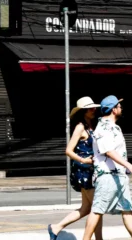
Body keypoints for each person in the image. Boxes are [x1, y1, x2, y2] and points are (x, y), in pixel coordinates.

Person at [82, 95, 132, 240]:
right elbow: (108, 151)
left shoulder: (114, 127)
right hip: (107, 176)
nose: (121, 108)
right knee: (97, 210)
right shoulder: (103, 127)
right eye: (119, 106)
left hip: (119, 176)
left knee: (127, 210)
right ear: (113, 110)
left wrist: (125, 169)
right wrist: (129, 165)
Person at [48, 97, 103, 240]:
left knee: (86, 208)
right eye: (91, 108)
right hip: (84, 172)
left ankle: (56, 227)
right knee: (97, 208)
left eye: (94, 107)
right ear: (84, 111)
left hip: (90, 171)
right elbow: (68, 150)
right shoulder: (80, 127)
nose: (94, 110)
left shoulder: (92, 125)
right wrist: (83, 159)